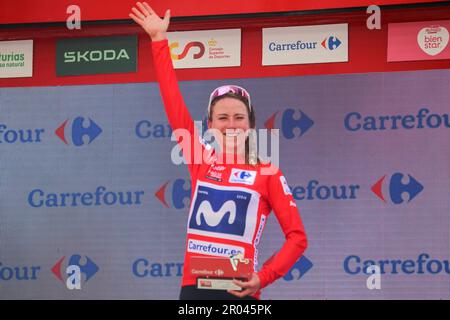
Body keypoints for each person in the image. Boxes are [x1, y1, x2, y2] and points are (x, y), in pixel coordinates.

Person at [129, 2, 308, 300]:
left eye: (239, 117)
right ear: (210, 125)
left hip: (239, 291)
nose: (231, 125)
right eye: (222, 118)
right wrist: (159, 40)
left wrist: (263, 277)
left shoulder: (267, 172)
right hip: (195, 289)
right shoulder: (200, 160)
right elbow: (173, 102)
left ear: (250, 125)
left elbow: (298, 238)